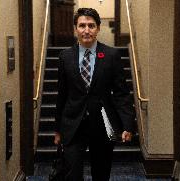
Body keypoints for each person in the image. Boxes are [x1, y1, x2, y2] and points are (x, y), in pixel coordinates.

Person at [53, 8, 136, 181]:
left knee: (101, 173)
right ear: (76, 29)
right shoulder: (65, 56)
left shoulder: (111, 55)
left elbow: (121, 93)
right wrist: (58, 129)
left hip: (102, 123)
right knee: (72, 175)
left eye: (91, 26)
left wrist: (127, 124)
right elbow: (62, 94)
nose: (86, 30)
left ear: (98, 28)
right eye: (82, 25)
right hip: (73, 123)